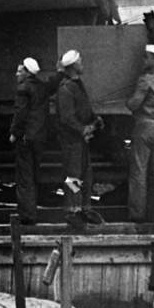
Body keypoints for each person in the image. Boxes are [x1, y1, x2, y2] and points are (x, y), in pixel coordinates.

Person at [126, 44, 154, 225]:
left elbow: (134, 104)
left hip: (145, 129)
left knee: (139, 171)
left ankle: (137, 213)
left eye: (146, 57)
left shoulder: (146, 80)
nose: (143, 60)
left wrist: (126, 102)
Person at [54, 50, 101, 228]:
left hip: (79, 140)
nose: (82, 63)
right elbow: (67, 117)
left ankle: (83, 209)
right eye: (80, 61)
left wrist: (93, 120)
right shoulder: (66, 88)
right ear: (74, 66)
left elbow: (82, 110)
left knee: (84, 176)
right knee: (74, 177)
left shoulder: (74, 85)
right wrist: (83, 129)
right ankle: (73, 211)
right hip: (72, 140)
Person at [9, 58, 50, 225]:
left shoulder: (23, 88)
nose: (17, 74)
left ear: (27, 72)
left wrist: (14, 132)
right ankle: (32, 211)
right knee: (33, 175)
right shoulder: (42, 87)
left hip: (25, 138)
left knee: (24, 177)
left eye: (20, 71)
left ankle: (27, 216)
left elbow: (20, 113)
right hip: (39, 138)